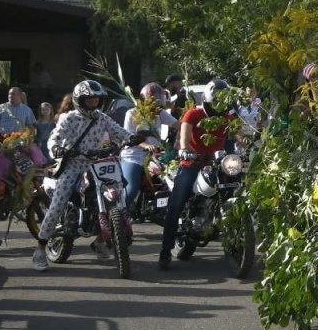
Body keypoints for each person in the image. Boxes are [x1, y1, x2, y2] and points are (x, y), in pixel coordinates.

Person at [33, 80, 142, 271]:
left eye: (96, 100)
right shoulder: (69, 118)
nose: (94, 103)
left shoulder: (102, 118)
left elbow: (120, 131)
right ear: (80, 100)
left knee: (115, 197)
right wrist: (56, 148)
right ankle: (40, 248)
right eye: (90, 99)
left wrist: (133, 137)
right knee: (57, 206)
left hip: (96, 166)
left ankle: (100, 241)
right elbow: (54, 137)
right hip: (73, 166)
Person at [159, 78, 233, 269]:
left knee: (236, 187)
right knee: (176, 206)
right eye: (217, 100)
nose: (219, 105)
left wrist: (251, 139)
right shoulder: (194, 114)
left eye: (223, 101)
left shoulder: (227, 118)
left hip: (217, 165)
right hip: (192, 164)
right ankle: (165, 251)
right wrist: (184, 149)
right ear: (208, 99)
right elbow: (184, 135)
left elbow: (240, 134)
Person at [123, 83, 176, 212]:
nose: (155, 108)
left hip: (155, 156)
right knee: (132, 188)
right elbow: (129, 137)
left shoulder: (160, 113)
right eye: (152, 104)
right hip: (134, 156)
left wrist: (181, 139)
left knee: (171, 181)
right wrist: (147, 145)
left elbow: (178, 125)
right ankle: (119, 214)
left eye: (157, 105)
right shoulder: (132, 113)